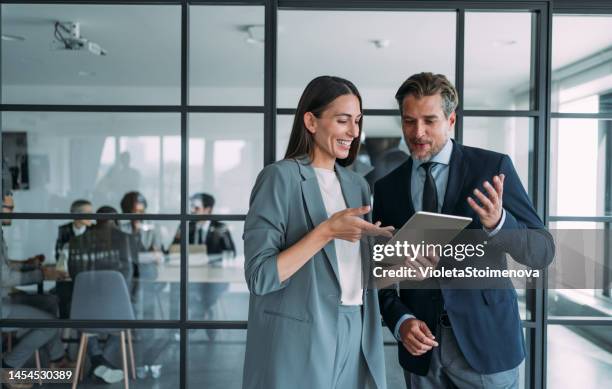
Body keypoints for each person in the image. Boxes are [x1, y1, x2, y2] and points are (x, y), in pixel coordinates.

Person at [374, 72, 555, 389]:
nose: (418, 132)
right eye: (409, 121)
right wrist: (400, 321)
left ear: (451, 119)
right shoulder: (387, 189)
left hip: (487, 346)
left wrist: (499, 225)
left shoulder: (492, 168)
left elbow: (542, 251)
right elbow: (382, 274)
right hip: (422, 353)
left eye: (430, 120)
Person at [242, 76, 393, 389]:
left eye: (357, 121)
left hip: (359, 330)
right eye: (342, 121)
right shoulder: (278, 178)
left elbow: (356, 273)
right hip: (300, 337)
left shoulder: (358, 185)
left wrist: (403, 265)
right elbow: (260, 276)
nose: (354, 132)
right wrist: (325, 232)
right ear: (310, 121)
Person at [1, 191, 71, 389]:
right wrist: (43, 275)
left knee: (48, 302)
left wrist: (28, 264)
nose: (13, 214)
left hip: (5, 297)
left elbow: (4, 267)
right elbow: (4, 278)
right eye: (9, 209)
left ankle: (57, 360)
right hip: (2, 304)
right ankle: (8, 367)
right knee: (50, 324)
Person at [54, 199, 93, 318]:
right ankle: (66, 327)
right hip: (69, 273)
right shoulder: (64, 230)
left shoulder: (93, 230)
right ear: (76, 215)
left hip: (88, 274)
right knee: (64, 287)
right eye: (88, 213)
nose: (92, 216)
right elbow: (58, 253)